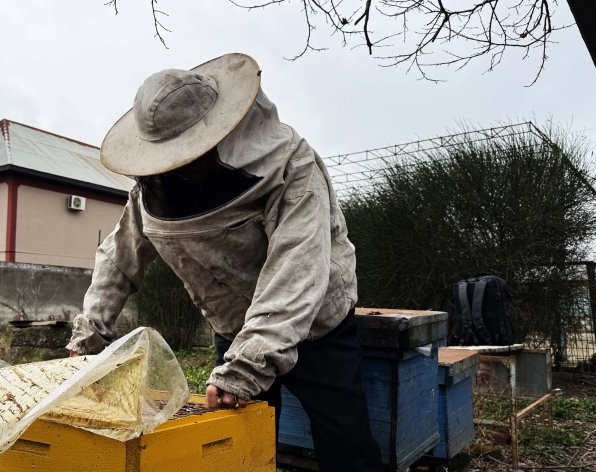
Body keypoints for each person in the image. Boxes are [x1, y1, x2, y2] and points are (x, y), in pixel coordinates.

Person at [66, 52, 382, 471]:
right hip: (233, 325)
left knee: (346, 446)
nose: (183, 165)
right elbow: (119, 258)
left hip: (315, 326)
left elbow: (297, 270)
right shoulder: (152, 188)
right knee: (237, 448)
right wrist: (90, 336)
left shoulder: (291, 166)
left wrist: (245, 369)